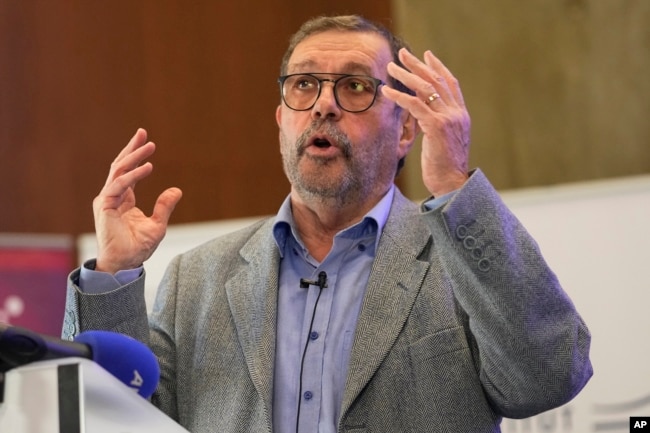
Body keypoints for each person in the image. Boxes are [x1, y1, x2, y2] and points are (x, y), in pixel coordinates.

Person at [63, 14, 592, 433]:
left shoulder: (461, 259)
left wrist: (455, 185)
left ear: (405, 127)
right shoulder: (196, 281)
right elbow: (110, 420)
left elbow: (546, 379)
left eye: (356, 87)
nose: (324, 107)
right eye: (304, 85)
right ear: (281, 119)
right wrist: (113, 271)